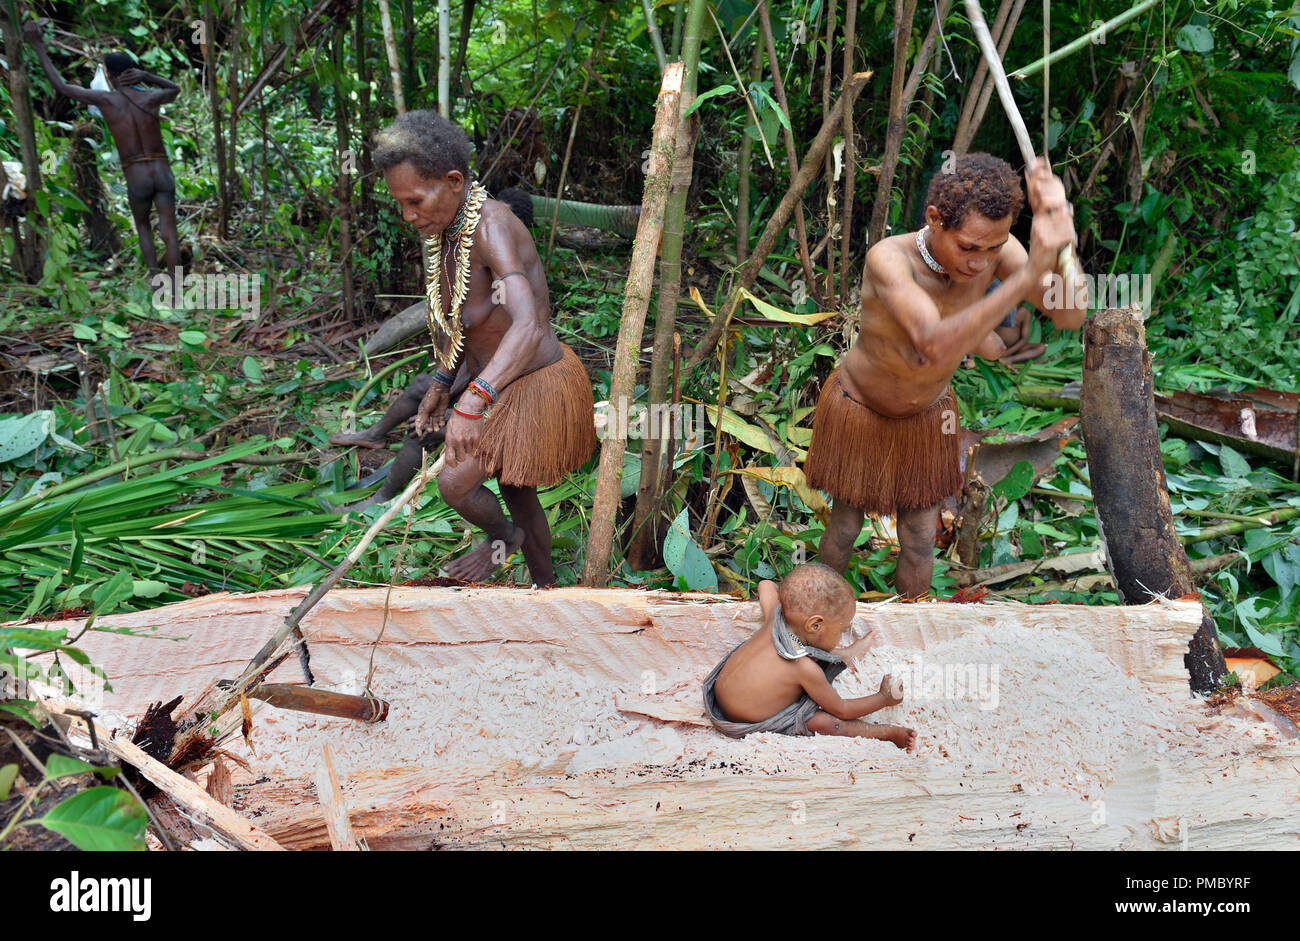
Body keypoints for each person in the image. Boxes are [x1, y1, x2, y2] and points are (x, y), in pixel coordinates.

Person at [806, 153, 1085, 597]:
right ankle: (816, 620)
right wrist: (1030, 272)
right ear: (935, 219)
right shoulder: (889, 260)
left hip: (927, 417)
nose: (980, 263)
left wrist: (1063, 252)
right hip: (861, 408)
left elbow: (1070, 315)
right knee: (845, 527)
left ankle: (913, 635)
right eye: (969, 247)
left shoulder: (997, 250)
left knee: (919, 537)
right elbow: (933, 342)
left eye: (995, 248)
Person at [352, 110, 595, 587]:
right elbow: (467, 322)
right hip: (499, 378)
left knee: (455, 483)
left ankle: (506, 537)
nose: (408, 215)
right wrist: (442, 384)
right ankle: (546, 588)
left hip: (533, 379)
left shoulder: (490, 228)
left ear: (454, 181)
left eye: (416, 201)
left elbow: (528, 325)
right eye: (400, 203)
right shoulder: (450, 231)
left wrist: (472, 400)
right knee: (515, 486)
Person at [702, 563, 917, 749]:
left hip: (719, 695)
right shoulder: (804, 668)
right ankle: (886, 734)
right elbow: (841, 709)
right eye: (841, 630)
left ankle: (844, 655)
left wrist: (792, 601)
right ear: (815, 624)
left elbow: (766, 585)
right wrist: (882, 698)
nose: (842, 635)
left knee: (810, 647)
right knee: (825, 722)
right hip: (743, 720)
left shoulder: (775, 615)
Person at [23, 19, 181, 273]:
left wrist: (37, 44)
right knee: (169, 233)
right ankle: (176, 291)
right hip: (162, 171)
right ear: (134, 72)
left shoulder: (107, 101)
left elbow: (60, 86)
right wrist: (148, 76)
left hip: (136, 174)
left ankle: (156, 282)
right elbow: (175, 89)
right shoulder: (152, 97)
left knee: (143, 227)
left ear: (109, 75)